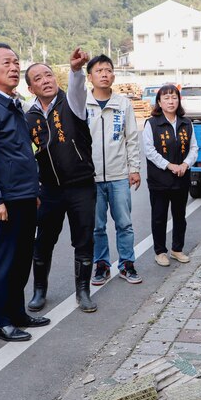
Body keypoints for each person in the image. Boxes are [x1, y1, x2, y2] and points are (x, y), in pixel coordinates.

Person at [0, 43, 50, 342]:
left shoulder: (14, 104)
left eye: (16, 62)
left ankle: (17, 313)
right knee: (2, 261)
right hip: (4, 201)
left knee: (21, 259)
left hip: (25, 196)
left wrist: (34, 190)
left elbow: (20, 153)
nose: (14, 67)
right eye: (6, 63)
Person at [24, 49, 97, 313]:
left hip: (81, 186)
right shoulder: (28, 117)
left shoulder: (72, 104)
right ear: (31, 88)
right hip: (50, 190)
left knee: (84, 238)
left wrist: (76, 70)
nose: (46, 80)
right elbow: (26, 157)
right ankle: (39, 290)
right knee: (43, 240)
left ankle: (83, 291)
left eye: (48, 74)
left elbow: (77, 87)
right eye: (38, 78)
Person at [85, 55, 142, 285]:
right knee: (97, 226)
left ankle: (127, 264)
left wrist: (134, 168)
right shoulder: (82, 104)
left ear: (114, 76)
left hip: (119, 176)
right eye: (99, 71)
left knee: (124, 224)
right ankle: (102, 265)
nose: (104, 74)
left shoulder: (123, 104)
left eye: (108, 70)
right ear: (90, 77)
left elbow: (132, 139)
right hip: (92, 178)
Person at [142, 85, 199, 267]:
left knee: (179, 216)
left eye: (174, 97)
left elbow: (194, 148)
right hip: (159, 180)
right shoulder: (151, 123)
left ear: (178, 100)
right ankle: (160, 252)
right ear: (159, 102)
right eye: (166, 98)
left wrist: (185, 164)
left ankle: (177, 249)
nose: (170, 101)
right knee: (159, 216)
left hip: (181, 179)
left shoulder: (186, 123)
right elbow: (149, 150)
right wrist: (169, 165)